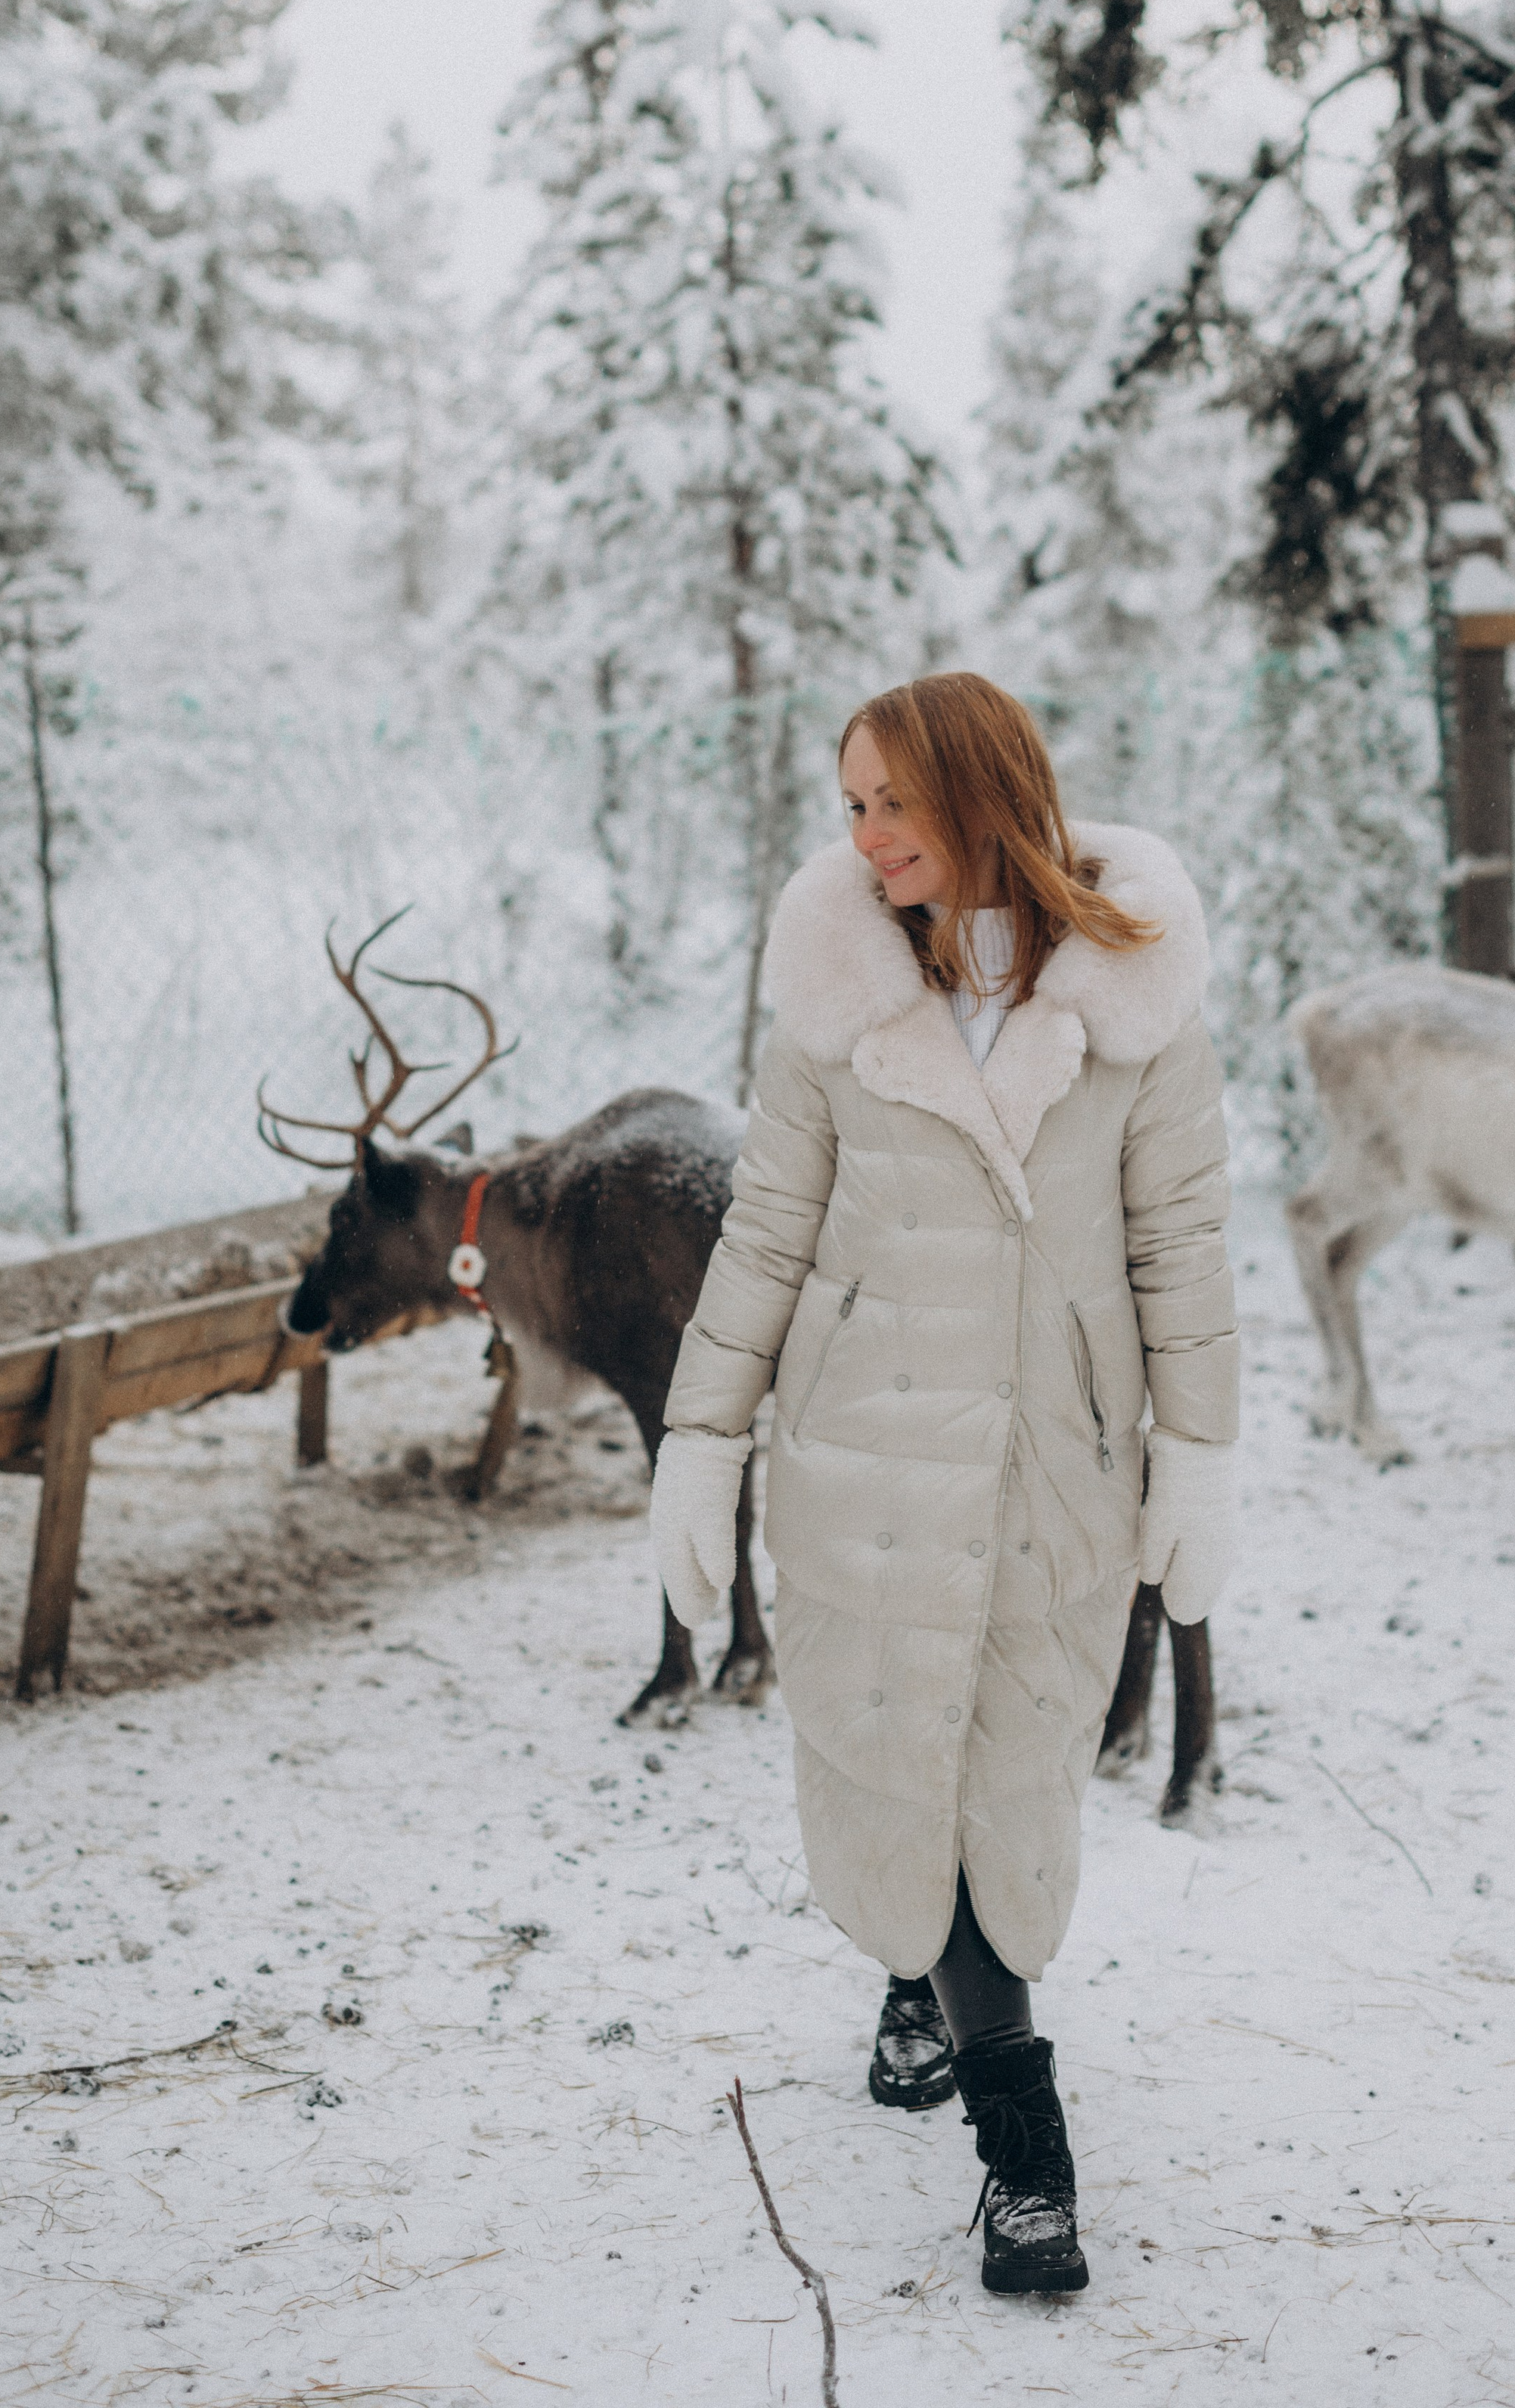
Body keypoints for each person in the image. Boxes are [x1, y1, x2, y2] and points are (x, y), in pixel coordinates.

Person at [650, 672, 1238, 2295]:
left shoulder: (1130, 996)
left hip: (1052, 1458)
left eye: (892, 802)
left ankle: (932, 1982)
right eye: (847, 806)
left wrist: (1197, 1443)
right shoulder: (834, 1001)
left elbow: (1178, 1241)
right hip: (862, 1455)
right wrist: (701, 1439)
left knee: (1006, 1764)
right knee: (895, 1739)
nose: (865, 837)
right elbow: (765, 1230)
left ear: (984, 792)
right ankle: (1023, 2156)